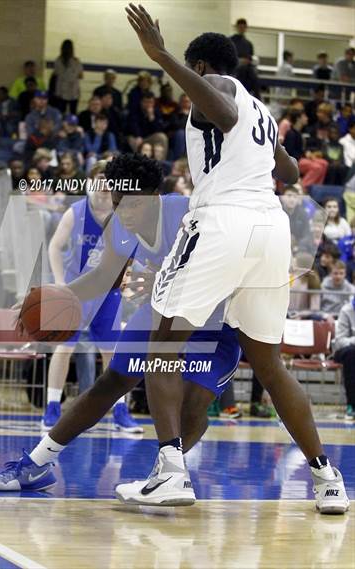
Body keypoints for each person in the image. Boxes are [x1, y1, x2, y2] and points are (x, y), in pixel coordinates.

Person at [118, 5, 348, 513]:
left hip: (223, 221)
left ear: (199, 67)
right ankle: (327, 477)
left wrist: (160, 56)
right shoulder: (262, 112)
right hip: (270, 230)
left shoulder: (217, 89)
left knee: (164, 345)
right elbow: (286, 171)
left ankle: (171, 472)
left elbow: (219, 112)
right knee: (268, 363)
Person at [0, 153, 241, 491]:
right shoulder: (118, 223)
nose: (123, 213)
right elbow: (103, 276)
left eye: (132, 205)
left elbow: (223, 270)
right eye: (117, 203)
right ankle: (35, 465)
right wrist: (52, 298)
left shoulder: (188, 214)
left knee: (192, 406)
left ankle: (162, 479)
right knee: (111, 380)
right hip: (162, 310)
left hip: (217, 319)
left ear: (155, 195)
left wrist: (164, 276)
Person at [42, 161, 140, 432]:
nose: (105, 185)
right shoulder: (76, 212)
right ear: (91, 181)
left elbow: (132, 255)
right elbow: (54, 246)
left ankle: (120, 410)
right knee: (64, 348)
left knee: (113, 352)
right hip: (75, 290)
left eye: (110, 180)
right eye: (100, 179)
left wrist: (128, 278)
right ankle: (52, 407)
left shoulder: (123, 217)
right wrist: (60, 282)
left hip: (107, 291)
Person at [334, 299, 355, 420]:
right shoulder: (346, 311)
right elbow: (340, 341)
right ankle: (352, 404)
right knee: (351, 354)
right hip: (346, 351)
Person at [53, 39, 84, 114]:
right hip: (73, 91)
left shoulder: (58, 61)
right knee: (73, 112)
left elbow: (56, 74)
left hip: (61, 91)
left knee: (60, 112)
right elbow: (81, 76)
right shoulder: (76, 61)